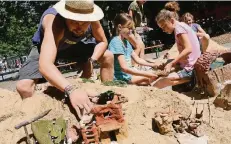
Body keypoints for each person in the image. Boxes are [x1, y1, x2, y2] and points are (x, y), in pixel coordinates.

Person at [16, 0, 114, 118]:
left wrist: (91, 61)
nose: (79, 27)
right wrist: (71, 90)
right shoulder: (54, 22)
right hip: (45, 47)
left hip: (72, 47)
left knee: (108, 56)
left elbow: (103, 42)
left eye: (84, 23)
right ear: (65, 16)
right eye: (74, 22)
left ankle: (108, 95)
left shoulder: (91, 18)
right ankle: (43, 115)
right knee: (24, 87)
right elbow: (45, 65)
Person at [153, 2, 201, 89]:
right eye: (162, 28)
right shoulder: (182, 25)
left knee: (159, 83)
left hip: (190, 67)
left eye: (164, 26)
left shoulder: (178, 29)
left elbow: (188, 49)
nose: (164, 30)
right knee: (163, 72)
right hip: (191, 62)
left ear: (171, 21)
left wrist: (172, 63)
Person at [108, 13, 157, 85]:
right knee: (150, 79)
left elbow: (138, 60)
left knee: (152, 79)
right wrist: (147, 74)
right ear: (119, 27)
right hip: (120, 78)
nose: (131, 31)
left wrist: (153, 65)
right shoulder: (115, 42)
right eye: (129, 28)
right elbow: (124, 68)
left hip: (128, 76)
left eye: (132, 28)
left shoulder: (125, 41)